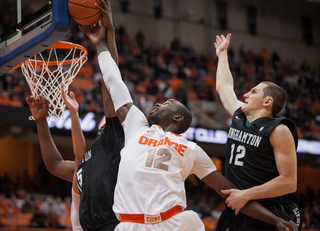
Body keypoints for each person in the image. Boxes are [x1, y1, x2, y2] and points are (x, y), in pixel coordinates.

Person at [82, 21, 298, 231]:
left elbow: (230, 193)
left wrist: (274, 220)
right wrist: (100, 43)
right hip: (130, 223)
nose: (157, 103)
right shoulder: (136, 125)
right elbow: (113, 81)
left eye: (167, 103)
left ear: (178, 119)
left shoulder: (191, 149)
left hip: (173, 223)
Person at [26, 1, 124, 230]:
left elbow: (112, 84)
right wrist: (41, 122)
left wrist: (108, 36)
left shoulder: (117, 154)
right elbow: (55, 164)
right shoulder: (87, 163)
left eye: (108, 124)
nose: (104, 125)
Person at [214, 33, 301, 230]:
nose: (245, 94)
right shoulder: (239, 116)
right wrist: (222, 55)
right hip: (237, 207)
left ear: (267, 102)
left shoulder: (279, 130)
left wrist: (247, 194)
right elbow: (224, 87)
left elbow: (289, 182)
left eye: (253, 92)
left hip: (265, 210)